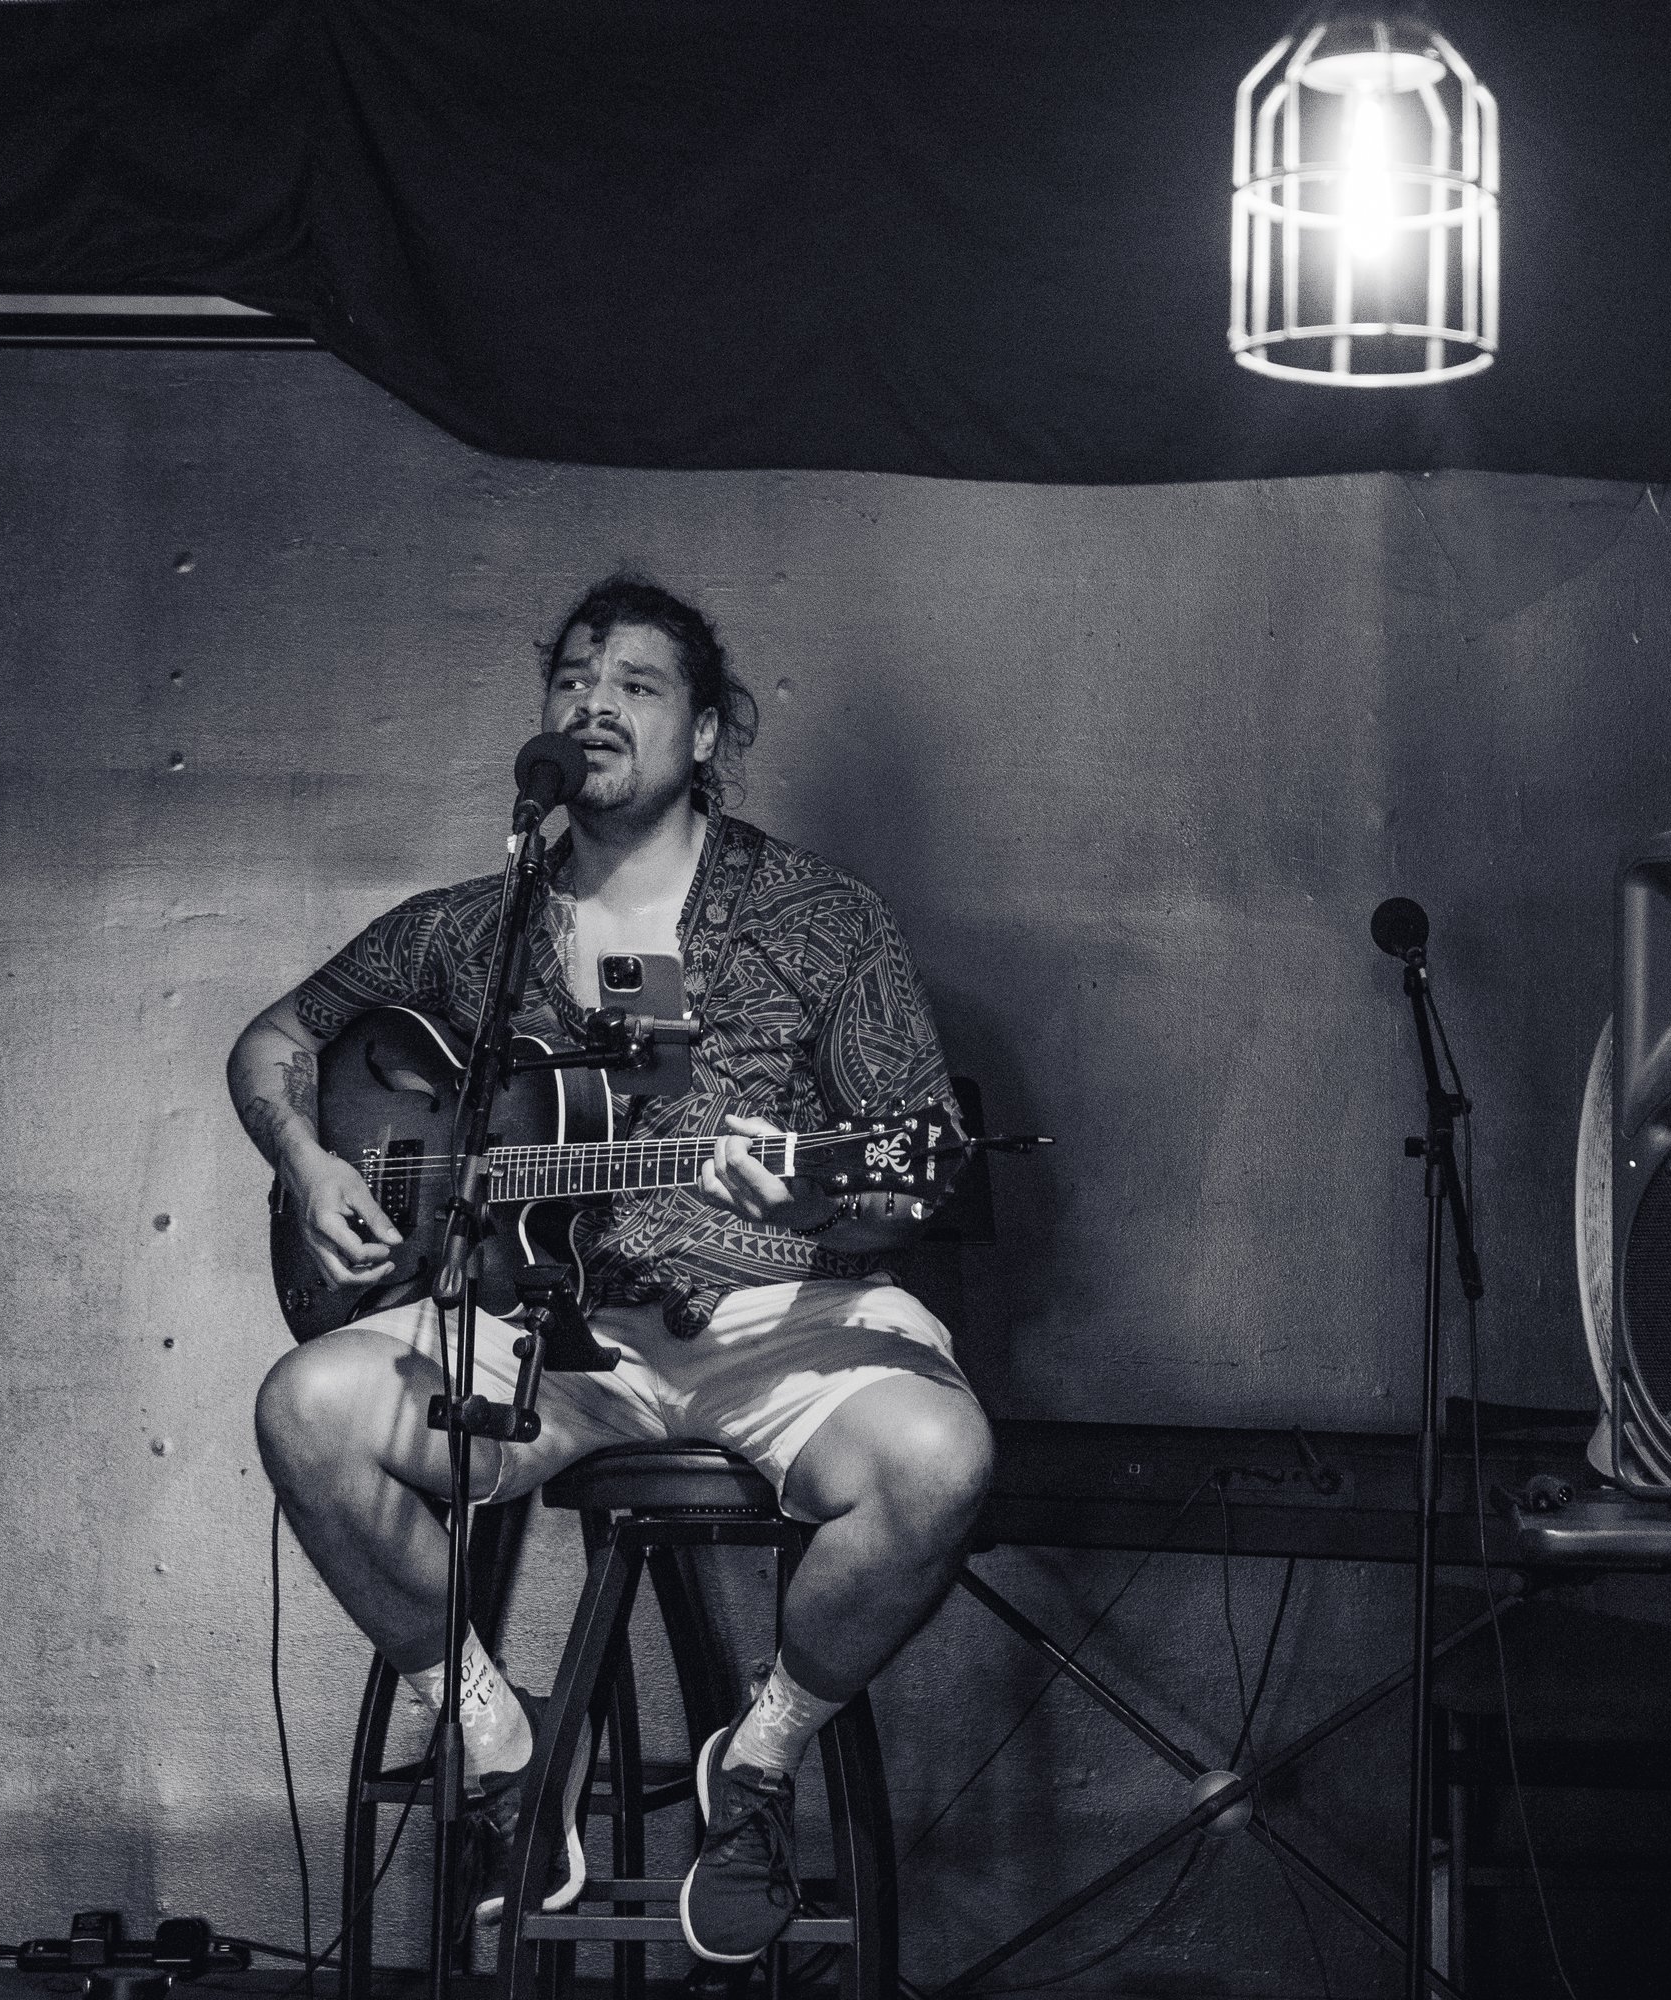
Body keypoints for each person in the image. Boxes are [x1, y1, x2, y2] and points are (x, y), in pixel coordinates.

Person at [232, 575, 993, 1965]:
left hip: (778, 1316)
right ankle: (498, 1739)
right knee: (303, 1411)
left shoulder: (822, 920)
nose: (595, 702)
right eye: (575, 679)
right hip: (545, 1337)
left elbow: (917, 1171)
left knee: (940, 1460)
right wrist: (310, 1160)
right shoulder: (480, 925)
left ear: (706, 733)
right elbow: (279, 1040)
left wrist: (832, 1199)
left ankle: (755, 1765)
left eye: (638, 683)